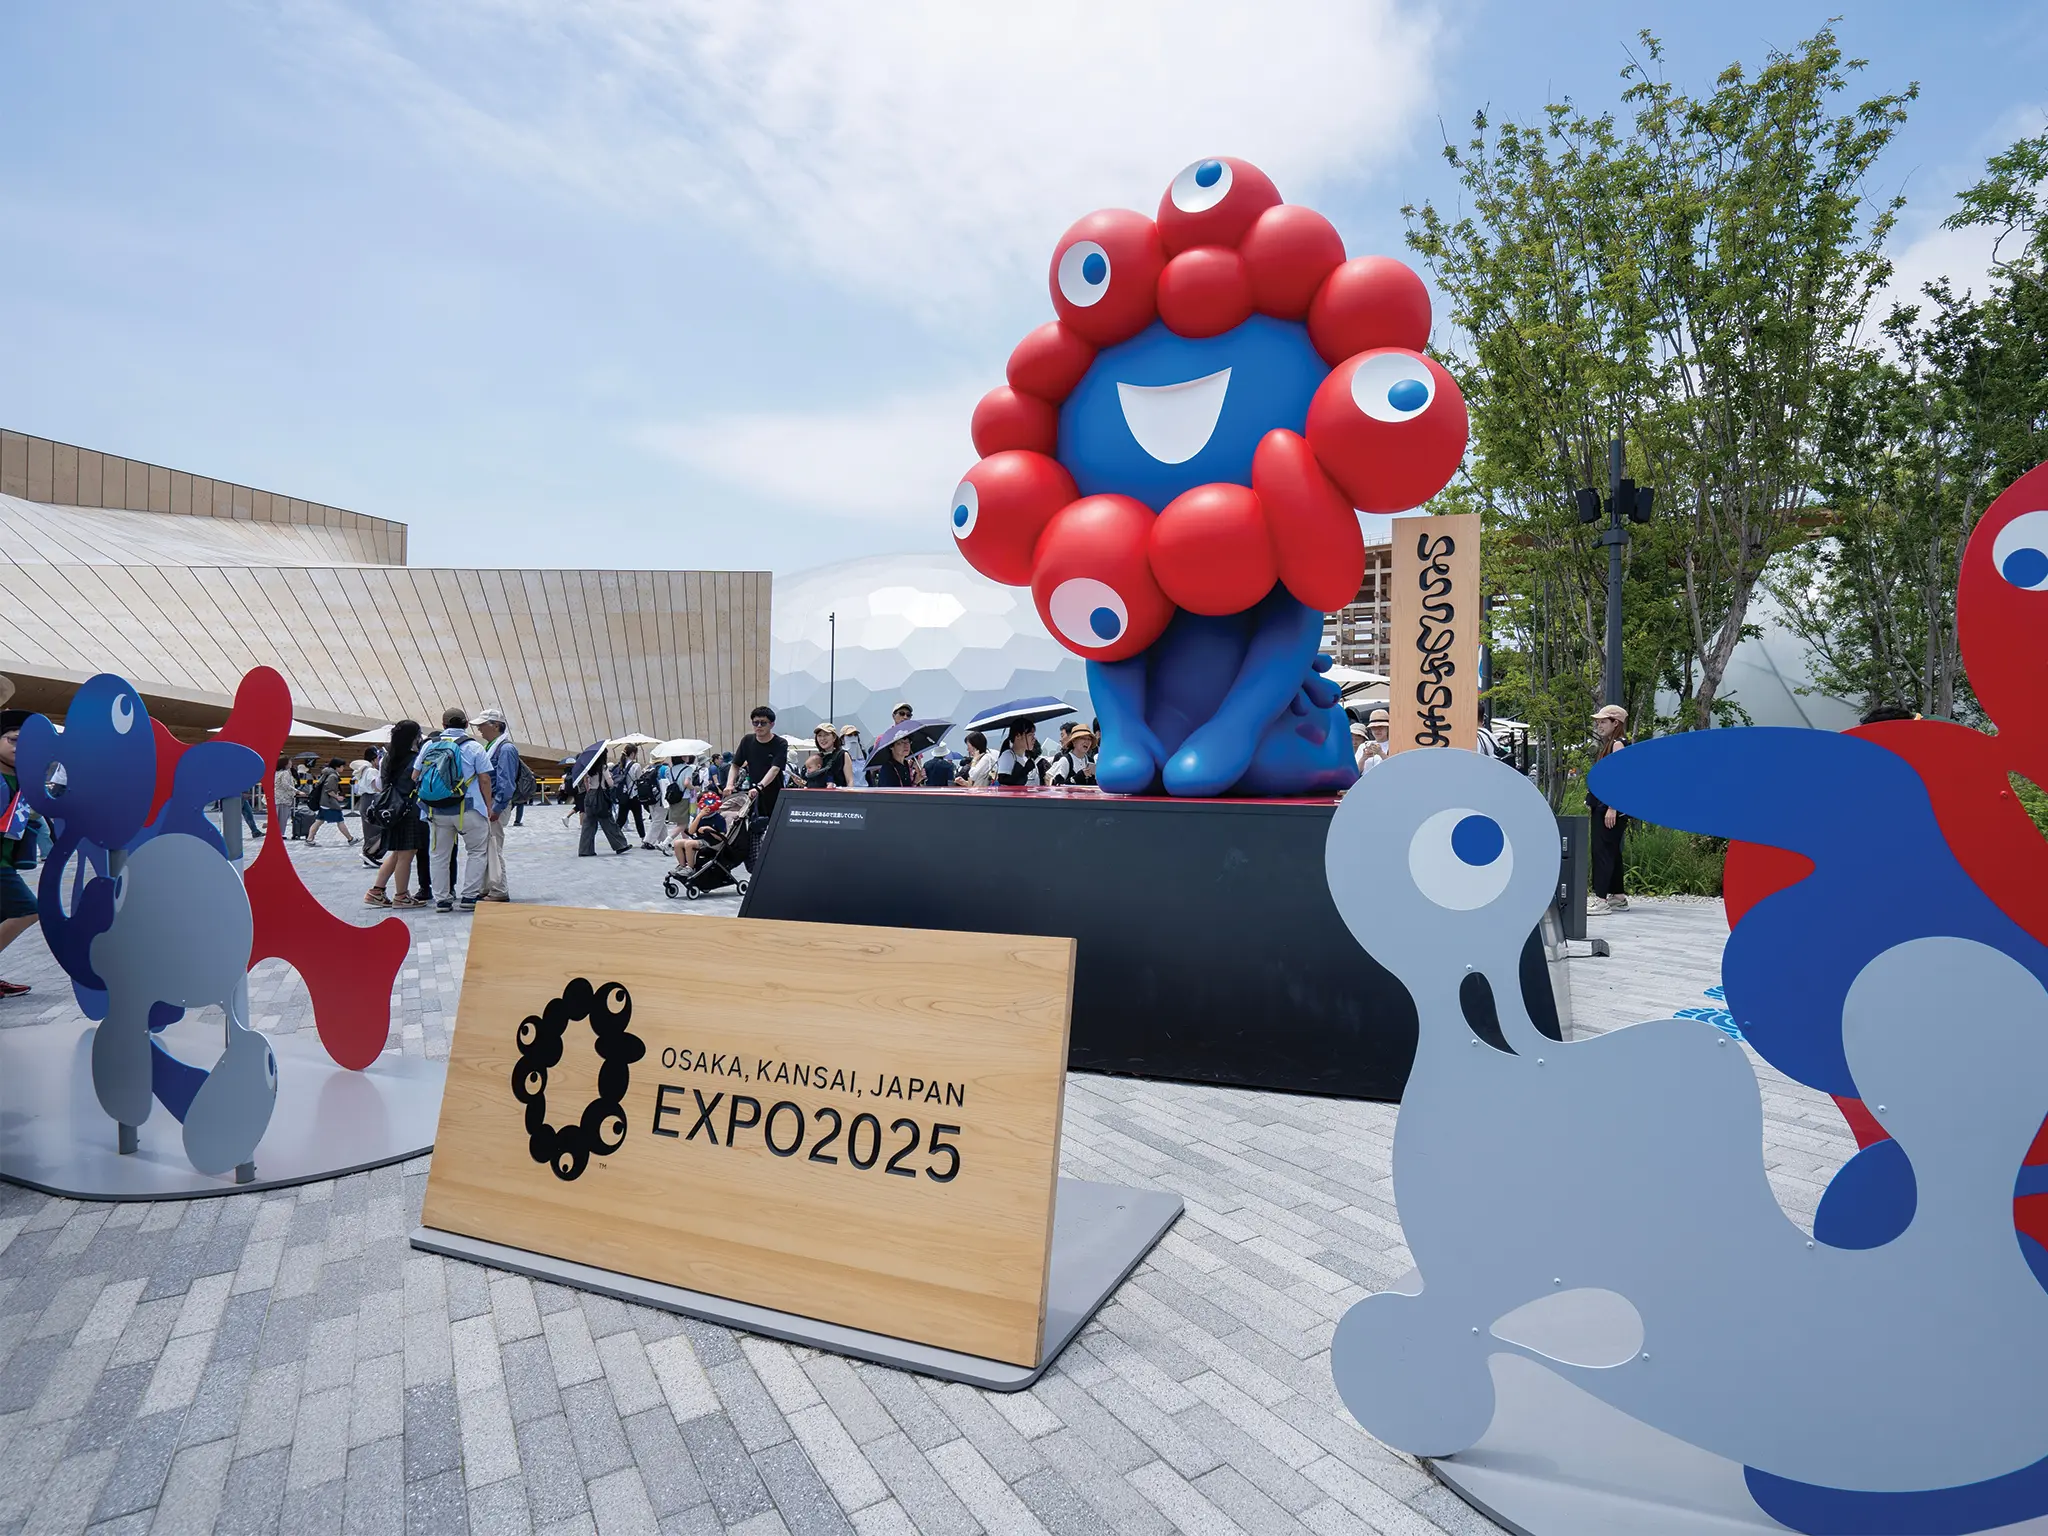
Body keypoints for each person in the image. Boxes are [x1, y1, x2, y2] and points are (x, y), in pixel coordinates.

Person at [415, 708, 494, 912]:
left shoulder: (429, 745)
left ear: (443, 725)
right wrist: (488, 805)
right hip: (469, 808)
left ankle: (442, 899)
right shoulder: (474, 747)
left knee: (439, 855)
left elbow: (415, 776)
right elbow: (485, 779)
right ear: (466, 724)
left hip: (437, 810)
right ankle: (469, 896)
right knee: (476, 852)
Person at [0, 710, 45, 996]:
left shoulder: (24, 779)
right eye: (13, 739)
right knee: (28, 910)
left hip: (7, 859)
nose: (19, 747)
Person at [366, 720, 428, 907]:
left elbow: (381, 784)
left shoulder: (387, 758)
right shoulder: (415, 759)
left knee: (396, 853)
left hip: (390, 810)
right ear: (414, 737)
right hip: (407, 810)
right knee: (406, 854)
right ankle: (401, 896)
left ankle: (376, 891)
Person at [1585, 703, 1630, 914]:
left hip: (1609, 807)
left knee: (1602, 850)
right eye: (1598, 722)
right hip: (1606, 805)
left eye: (1603, 722)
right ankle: (1618, 896)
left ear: (1616, 723)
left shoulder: (1618, 744)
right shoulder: (1612, 743)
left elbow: (1619, 777)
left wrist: (1612, 806)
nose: (1599, 725)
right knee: (1611, 851)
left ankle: (1601, 899)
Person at [474, 707, 517, 902]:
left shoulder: (505, 749)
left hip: (494, 804)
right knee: (487, 846)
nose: (479, 729)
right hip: (490, 803)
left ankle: (499, 889)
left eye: (483, 725)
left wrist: (496, 807)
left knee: (494, 846)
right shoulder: (493, 746)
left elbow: (506, 782)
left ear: (496, 726)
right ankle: (488, 886)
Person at [727, 706, 788, 823]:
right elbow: (735, 765)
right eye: (755, 723)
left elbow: (775, 769)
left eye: (763, 723)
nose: (759, 726)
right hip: (752, 794)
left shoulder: (780, 743)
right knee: (751, 825)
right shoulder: (747, 740)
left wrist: (760, 786)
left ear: (772, 724)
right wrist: (729, 784)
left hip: (774, 793)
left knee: (773, 824)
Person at [577, 751, 630, 856]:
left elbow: (586, 782)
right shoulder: (603, 767)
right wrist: (611, 778)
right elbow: (610, 783)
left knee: (588, 824)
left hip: (590, 795)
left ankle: (585, 850)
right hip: (600, 796)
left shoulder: (589, 767)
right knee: (608, 821)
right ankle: (620, 845)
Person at [306, 758, 358, 848]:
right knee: (340, 820)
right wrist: (337, 797)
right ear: (337, 767)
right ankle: (350, 839)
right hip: (329, 803)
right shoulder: (333, 776)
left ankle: (309, 839)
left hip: (324, 803)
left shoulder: (327, 774)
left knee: (319, 821)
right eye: (342, 766)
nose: (343, 768)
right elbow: (329, 790)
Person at [803, 724, 852, 788]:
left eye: (826, 735)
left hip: (836, 793)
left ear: (834, 737)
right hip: (815, 794)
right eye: (819, 735)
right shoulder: (815, 758)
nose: (822, 738)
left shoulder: (842, 755)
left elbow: (850, 781)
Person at [1355, 708, 1390, 775]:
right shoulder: (1364, 746)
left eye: (1381, 727)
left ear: (1387, 728)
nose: (1377, 731)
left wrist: (1381, 753)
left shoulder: (1394, 744)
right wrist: (1363, 758)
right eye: (1374, 728)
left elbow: (1395, 767)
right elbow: (1356, 772)